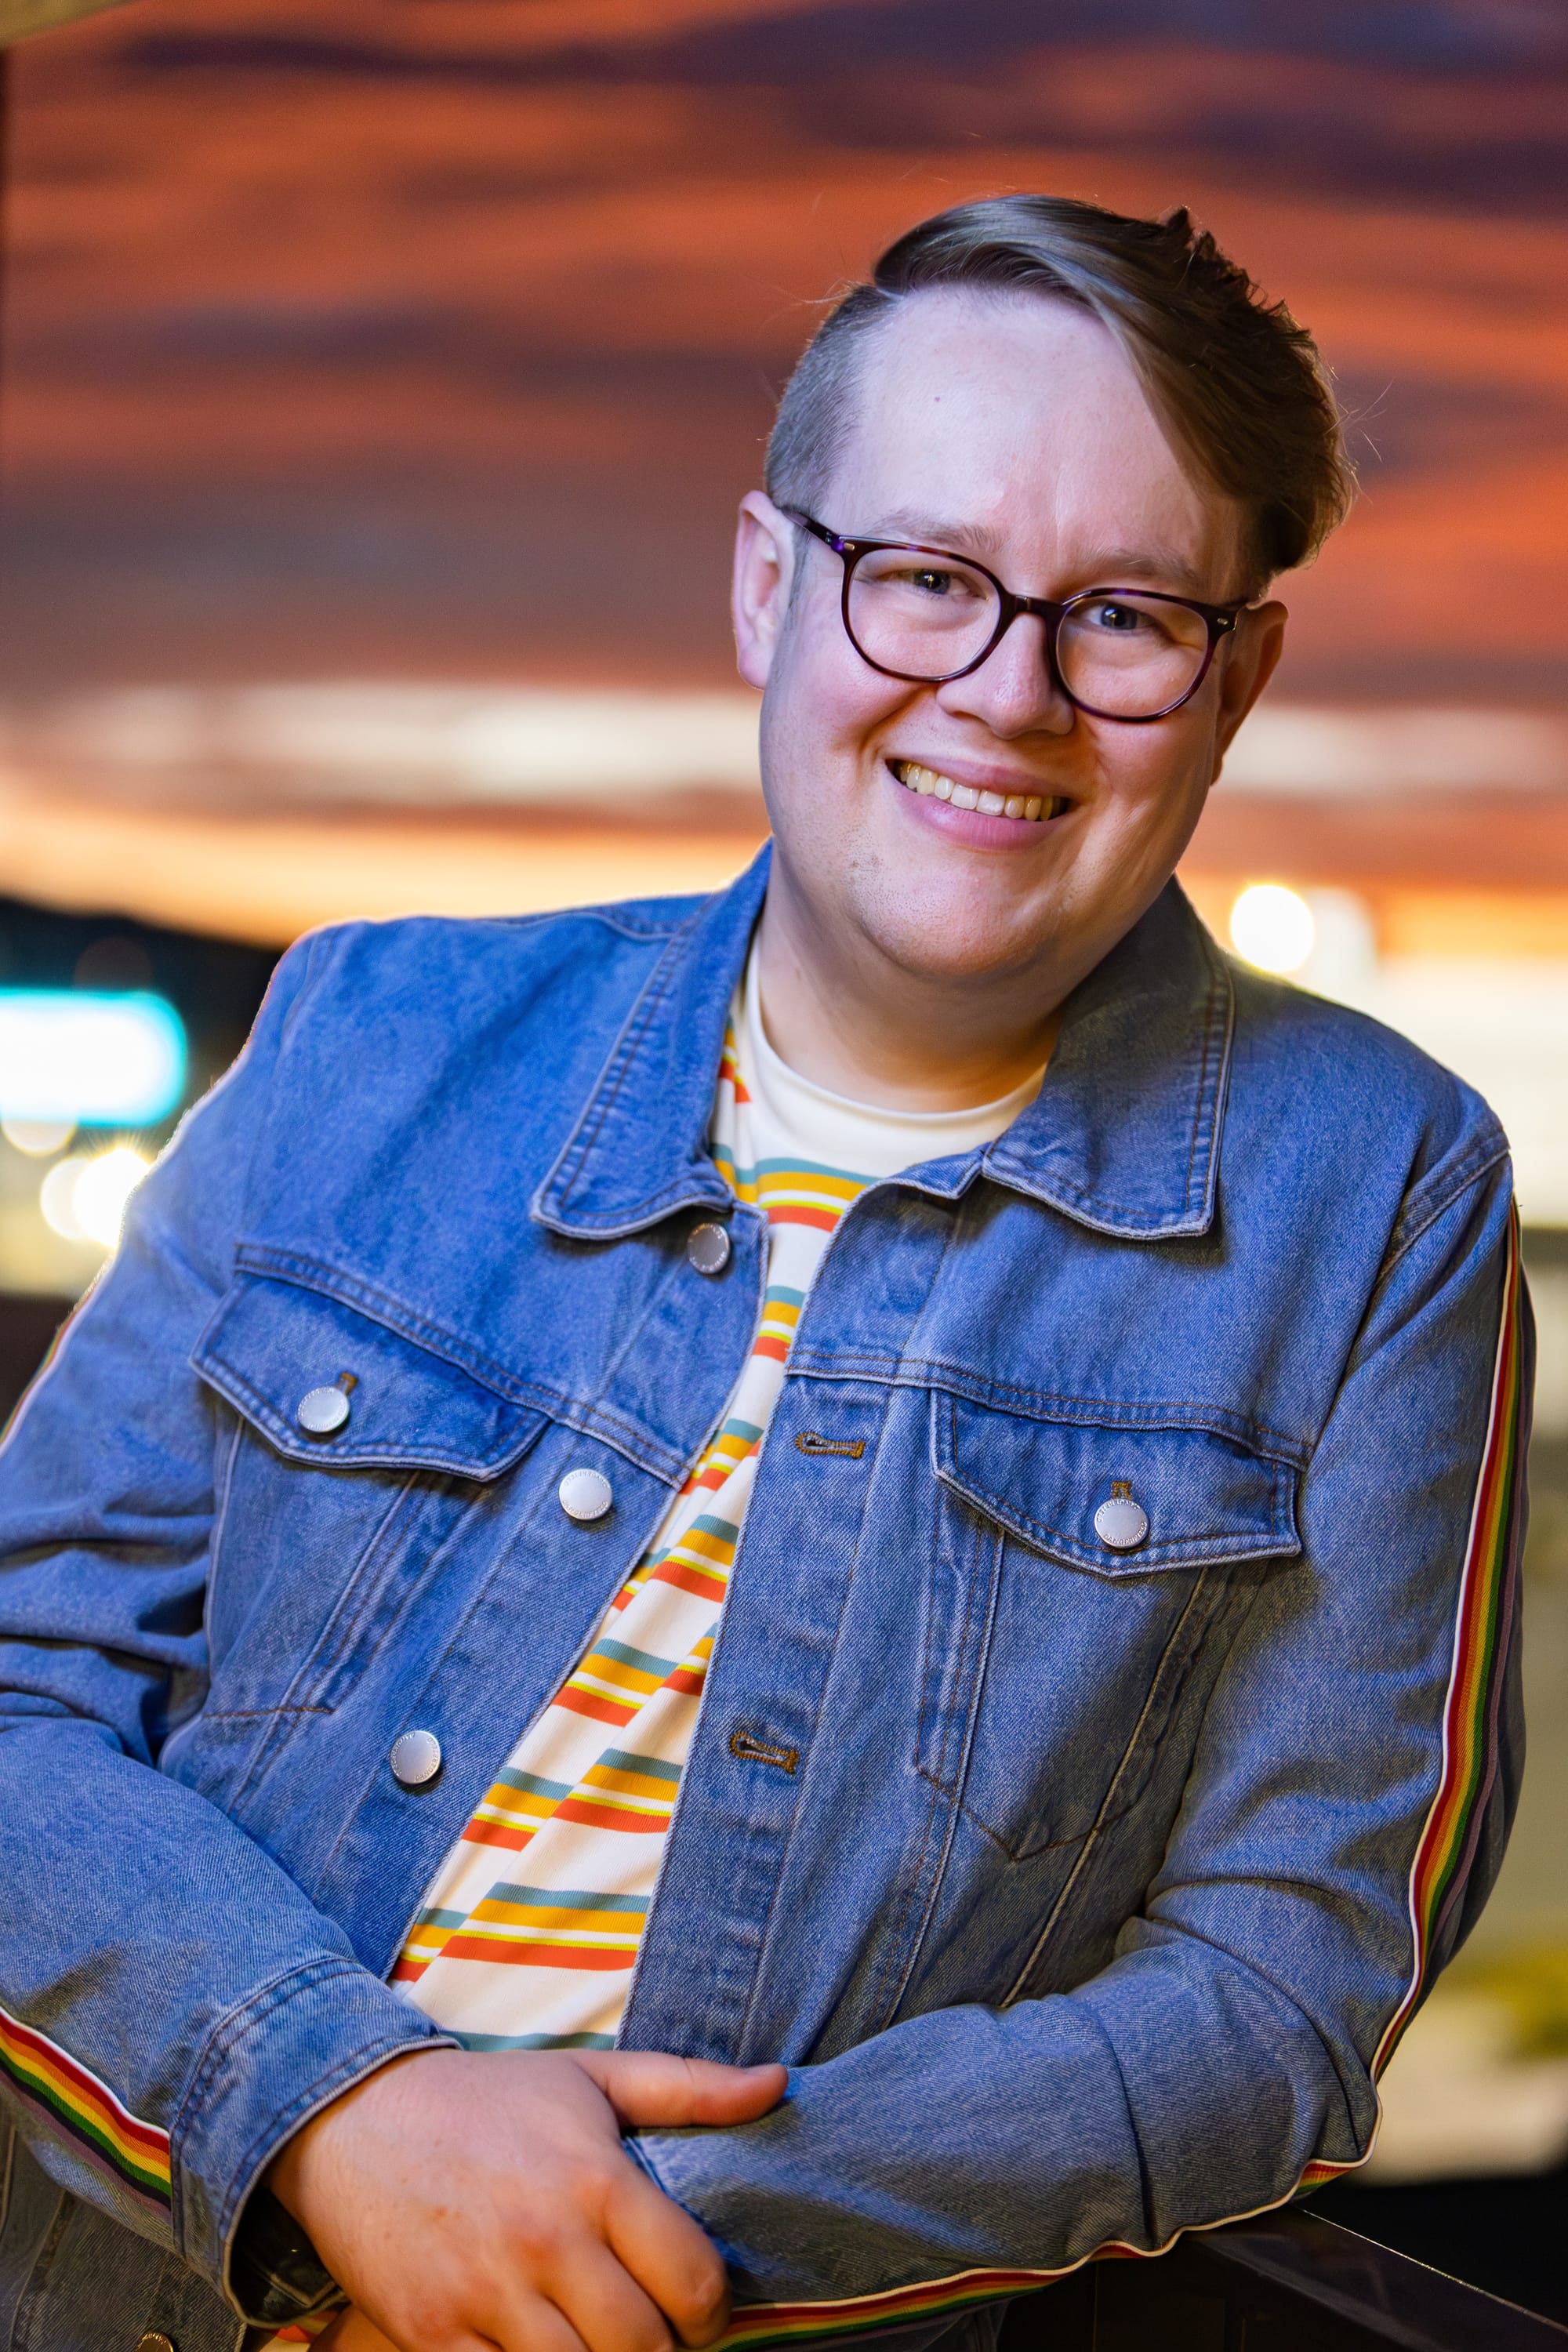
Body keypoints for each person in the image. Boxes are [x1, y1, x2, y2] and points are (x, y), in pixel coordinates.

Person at [0, 195, 1528, 2352]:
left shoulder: (1378, 1196)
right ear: (765, 585)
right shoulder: (373, 1038)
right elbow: (16, 1693)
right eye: (923, 578)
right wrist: (329, 2115)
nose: (1005, 696)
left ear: (1239, 677)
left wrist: (585, 2234)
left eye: (1121, 615)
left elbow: (1277, 2002)